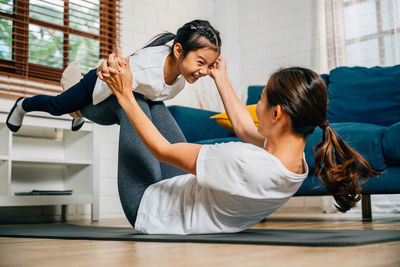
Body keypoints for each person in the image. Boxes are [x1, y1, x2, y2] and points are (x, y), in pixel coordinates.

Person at [97, 50, 378, 235]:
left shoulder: (242, 160)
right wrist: (220, 77)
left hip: (150, 208)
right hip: (181, 192)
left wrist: (124, 94)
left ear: (277, 114)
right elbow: (244, 128)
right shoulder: (295, 162)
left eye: (262, 99)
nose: (257, 105)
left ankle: (77, 107)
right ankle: (83, 104)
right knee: (152, 101)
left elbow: (163, 150)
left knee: (132, 98)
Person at [6, 19, 221, 132]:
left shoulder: (180, 81)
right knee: (58, 106)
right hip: (97, 84)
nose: (204, 71)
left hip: (122, 86)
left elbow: (152, 95)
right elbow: (110, 85)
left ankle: (77, 108)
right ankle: (23, 104)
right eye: (201, 63)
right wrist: (81, 107)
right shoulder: (144, 68)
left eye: (209, 65)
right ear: (178, 51)